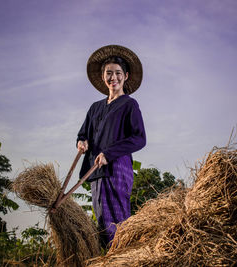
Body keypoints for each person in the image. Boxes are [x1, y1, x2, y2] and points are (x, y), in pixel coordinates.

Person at [76, 45, 146, 246]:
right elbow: (83, 134)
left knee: (118, 221)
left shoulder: (129, 104)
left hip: (117, 169)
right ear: (103, 77)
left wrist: (109, 153)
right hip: (95, 170)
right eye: (109, 73)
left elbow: (139, 138)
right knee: (102, 224)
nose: (113, 77)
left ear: (125, 76)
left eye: (117, 73)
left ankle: (123, 258)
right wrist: (82, 142)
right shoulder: (95, 107)